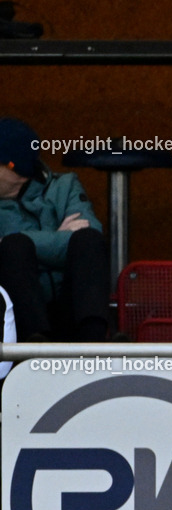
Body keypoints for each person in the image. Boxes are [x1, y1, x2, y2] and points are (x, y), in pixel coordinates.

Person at [0, 117, 109, 342]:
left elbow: (91, 233)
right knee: (14, 248)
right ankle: (35, 343)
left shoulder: (64, 186)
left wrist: (16, 242)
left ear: (15, 168)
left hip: (71, 308)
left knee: (87, 240)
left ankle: (95, 341)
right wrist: (59, 238)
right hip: (19, 323)